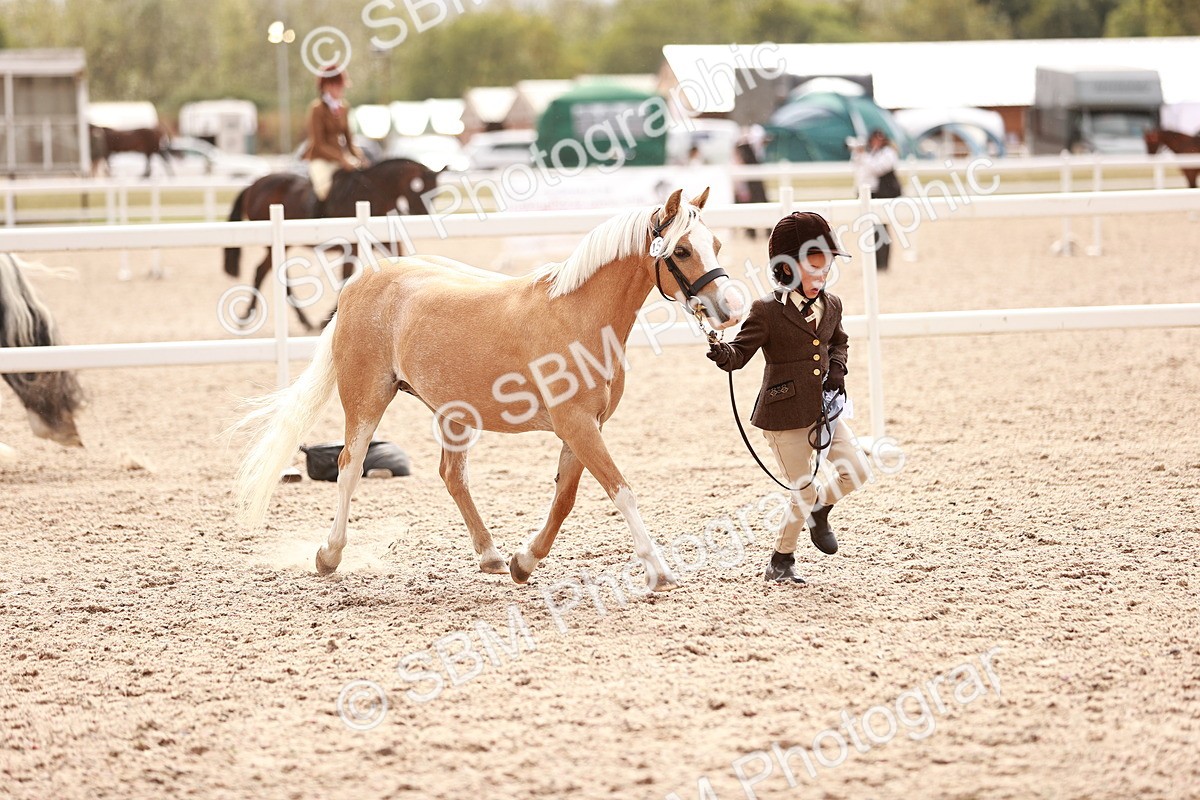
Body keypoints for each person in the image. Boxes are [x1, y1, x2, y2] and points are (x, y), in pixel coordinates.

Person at [706, 212, 871, 586]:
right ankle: (781, 560)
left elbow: (838, 342)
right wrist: (722, 353)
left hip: (825, 409)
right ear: (785, 267)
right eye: (813, 268)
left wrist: (838, 369)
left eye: (825, 268)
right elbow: (740, 354)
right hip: (783, 415)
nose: (821, 276)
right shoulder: (766, 310)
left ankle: (820, 511)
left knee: (858, 470)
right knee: (803, 491)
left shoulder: (832, 304)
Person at [302, 67, 363, 215]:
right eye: (338, 86)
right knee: (325, 190)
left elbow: (349, 139)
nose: (342, 90)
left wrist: (360, 157)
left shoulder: (344, 107)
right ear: (327, 86)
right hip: (320, 159)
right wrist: (341, 159)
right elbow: (319, 143)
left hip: (341, 159)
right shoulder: (317, 109)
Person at [849, 129, 901, 270]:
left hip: (880, 194)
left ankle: (882, 263)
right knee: (869, 229)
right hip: (865, 193)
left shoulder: (888, 152)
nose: (877, 142)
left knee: (881, 228)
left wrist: (863, 155)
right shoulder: (869, 152)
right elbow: (857, 169)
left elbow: (878, 168)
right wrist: (858, 153)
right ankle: (872, 263)